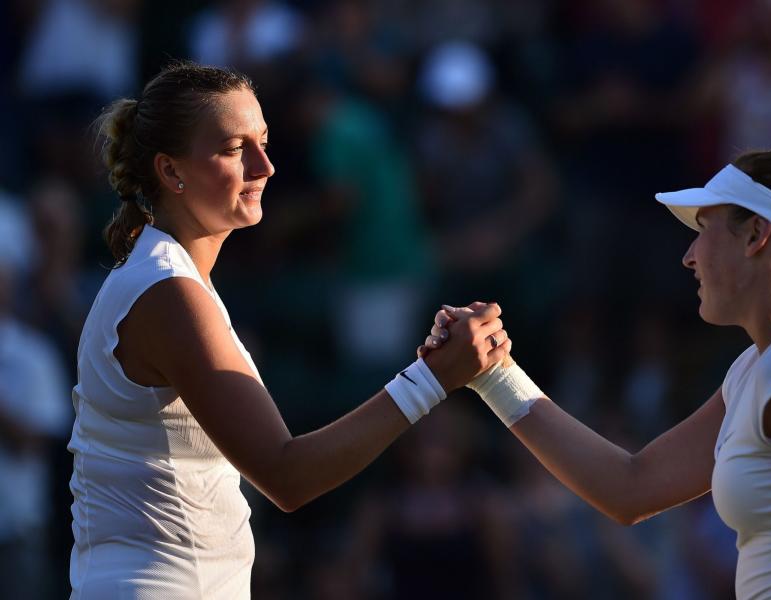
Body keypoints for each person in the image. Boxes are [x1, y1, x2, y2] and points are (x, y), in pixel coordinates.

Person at [69, 61, 510, 599]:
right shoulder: (168, 291)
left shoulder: (165, 277)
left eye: (264, 141)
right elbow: (286, 476)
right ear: (170, 171)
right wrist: (431, 380)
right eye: (236, 149)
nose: (266, 166)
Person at [425, 118, 771, 598]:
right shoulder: (761, 369)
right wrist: (494, 375)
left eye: (704, 229)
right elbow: (629, 488)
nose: (689, 255)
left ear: (756, 235)